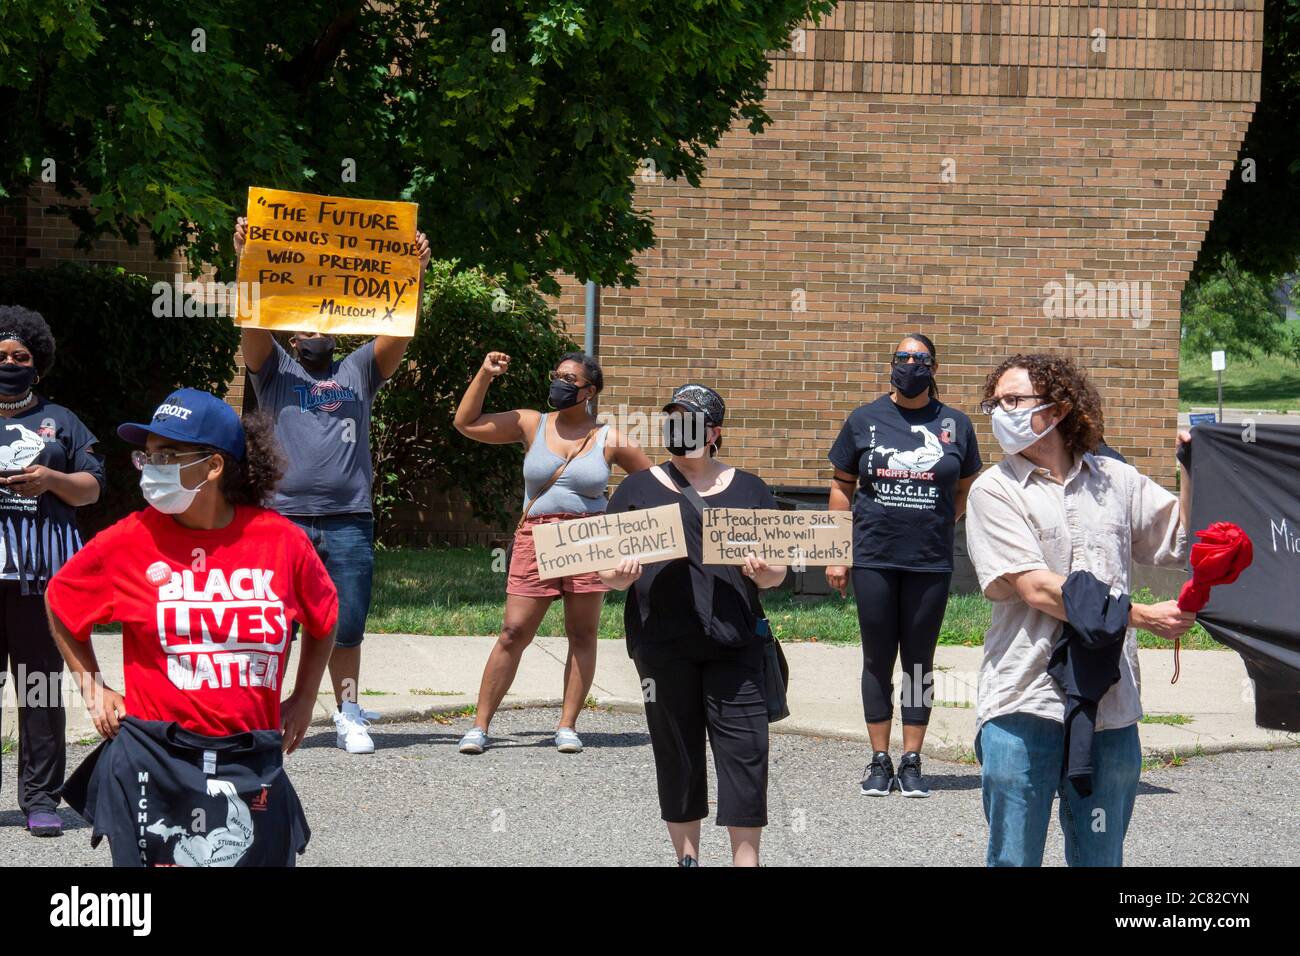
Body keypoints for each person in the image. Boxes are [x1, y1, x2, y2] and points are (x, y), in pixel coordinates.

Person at [44, 388, 338, 866]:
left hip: (251, 760)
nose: (151, 467)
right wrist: (93, 688)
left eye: (168, 455)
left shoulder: (281, 542)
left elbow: (324, 616)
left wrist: (304, 697)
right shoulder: (130, 541)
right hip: (153, 759)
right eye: (148, 455)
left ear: (214, 466)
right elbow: (61, 600)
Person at [964, 354, 1194, 867]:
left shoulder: (1117, 480)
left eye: (1014, 401)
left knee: (1100, 856)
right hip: (1025, 699)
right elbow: (1038, 589)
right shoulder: (992, 491)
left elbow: (1182, 540)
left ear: (1060, 408)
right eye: (995, 403)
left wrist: (1194, 468)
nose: (1000, 412)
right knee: (1013, 858)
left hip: (1109, 704)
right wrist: (1140, 616)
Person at [233, 216, 430, 754]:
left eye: (319, 327)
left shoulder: (358, 371)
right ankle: (263, 714)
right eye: (300, 329)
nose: (311, 335)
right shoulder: (272, 371)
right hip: (282, 518)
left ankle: (347, 712)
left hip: (347, 517)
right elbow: (251, 324)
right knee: (272, 624)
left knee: (346, 623)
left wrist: (412, 272)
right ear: (291, 337)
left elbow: (398, 329)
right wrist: (248, 260)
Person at [600, 384, 786, 866]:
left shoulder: (751, 489)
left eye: (690, 418)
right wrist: (617, 576)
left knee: (746, 755)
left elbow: (778, 570)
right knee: (676, 753)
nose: (678, 427)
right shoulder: (636, 489)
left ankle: (747, 862)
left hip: (735, 643)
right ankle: (687, 859)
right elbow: (605, 568)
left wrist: (766, 573)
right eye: (673, 417)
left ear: (714, 432)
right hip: (662, 644)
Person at [453, 350, 651, 754]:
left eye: (569, 379)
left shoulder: (608, 438)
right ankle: (480, 725)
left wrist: (622, 530)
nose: (558, 383)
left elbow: (652, 485)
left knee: (582, 633)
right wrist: (485, 374)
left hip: (589, 539)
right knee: (513, 631)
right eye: (556, 375)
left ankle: (567, 725)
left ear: (589, 391)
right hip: (536, 537)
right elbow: (466, 423)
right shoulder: (531, 423)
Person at [825, 333, 981, 797]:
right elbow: (841, 487)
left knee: (918, 662)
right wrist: (838, 553)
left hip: (929, 562)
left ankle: (912, 759)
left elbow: (966, 486)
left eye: (921, 358)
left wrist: (936, 523)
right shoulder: (864, 419)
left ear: (934, 368)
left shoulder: (955, 423)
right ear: (891, 364)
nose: (911, 365)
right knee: (877, 659)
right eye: (902, 357)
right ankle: (879, 758)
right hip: (874, 556)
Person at [0, 305, 105, 838]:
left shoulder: (62, 421)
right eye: (0, 356)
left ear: (37, 365)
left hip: (42, 579)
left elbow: (92, 487)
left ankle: (40, 798)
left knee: (39, 687)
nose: (9, 363)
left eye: (20, 356)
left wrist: (51, 479)